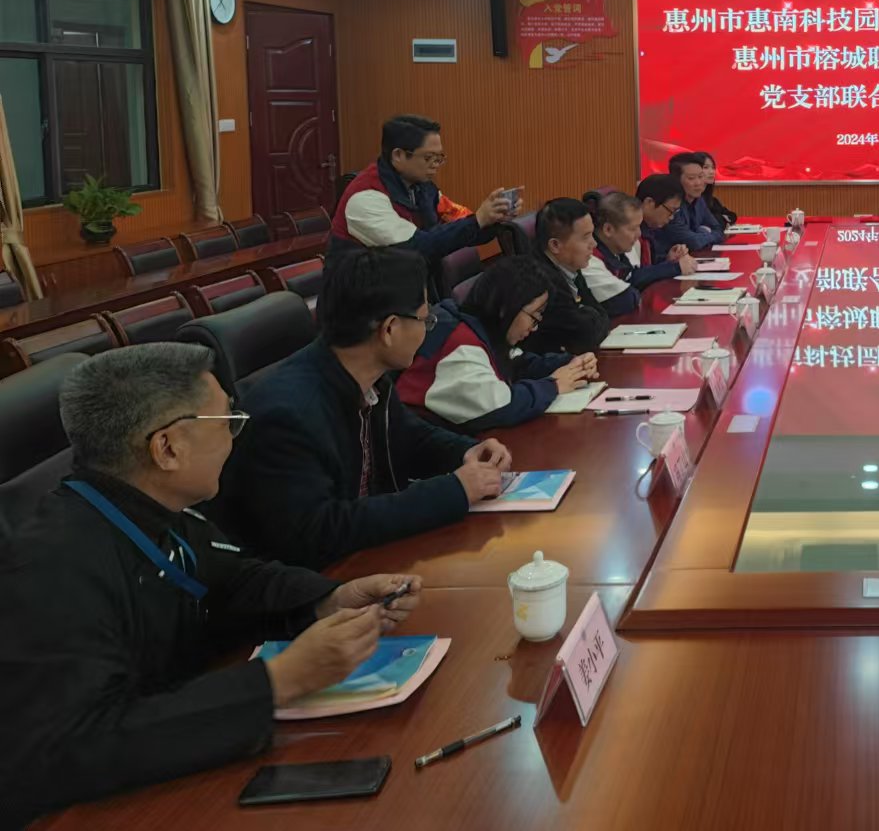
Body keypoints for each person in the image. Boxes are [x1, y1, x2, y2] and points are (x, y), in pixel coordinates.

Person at [0, 344, 424, 821]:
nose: (235, 436)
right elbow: (80, 744)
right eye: (227, 422)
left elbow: (231, 578)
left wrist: (328, 599)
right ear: (167, 448)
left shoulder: (150, 504)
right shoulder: (51, 567)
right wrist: (279, 681)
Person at [219, 247, 516, 569]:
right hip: (325, 579)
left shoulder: (366, 376)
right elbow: (319, 532)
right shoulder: (288, 415)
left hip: (373, 557)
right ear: (389, 330)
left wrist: (465, 451)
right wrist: (452, 492)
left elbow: (408, 436)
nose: (427, 330)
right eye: (424, 320)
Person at [398, 255, 596, 430]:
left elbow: (518, 364)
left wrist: (571, 364)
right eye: (534, 316)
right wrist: (552, 386)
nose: (534, 328)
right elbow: (498, 407)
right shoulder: (460, 345)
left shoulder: (485, 330)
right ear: (505, 307)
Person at [330, 114, 516, 272]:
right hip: (362, 298)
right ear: (398, 156)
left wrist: (492, 219)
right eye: (428, 158)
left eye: (439, 157)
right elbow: (416, 248)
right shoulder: (365, 197)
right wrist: (478, 220)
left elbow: (456, 225)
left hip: (409, 290)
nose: (435, 165)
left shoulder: (423, 187)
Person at [582, 190, 694, 317]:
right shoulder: (589, 258)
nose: (639, 234)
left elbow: (632, 278)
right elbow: (626, 299)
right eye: (633, 228)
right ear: (608, 229)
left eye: (639, 227)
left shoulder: (617, 250)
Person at [524, 197, 615, 354]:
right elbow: (584, 336)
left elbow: (602, 314)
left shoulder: (570, 265)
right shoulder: (540, 282)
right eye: (585, 237)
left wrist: (588, 313)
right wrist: (589, 313)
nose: (594, 244)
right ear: (555, 245)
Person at [656, 151, 724, 251]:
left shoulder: (699, 200)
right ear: (676, 180)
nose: (698, 183)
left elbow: (718, 229)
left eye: (700, 177)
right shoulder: (671, 206)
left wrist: (699, 234)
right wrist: (704, 232)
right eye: (691, 178)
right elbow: (693, 242)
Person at [637, 172, 694, 268]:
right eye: (671, 211)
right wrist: (676, 268)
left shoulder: (651, 229)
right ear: (649, 203)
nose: (671, 217)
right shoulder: (630, 232)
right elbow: (635, 274)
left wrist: (668, 259)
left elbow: (650, 266)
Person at [702, 152, 739, 228]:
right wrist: (722, 219)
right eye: (706, 167)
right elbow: (710, 221)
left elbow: (732, 215)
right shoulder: (691, 198)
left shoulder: (711, 199)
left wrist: (723, 219)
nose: (711, 172)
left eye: (713, 168)